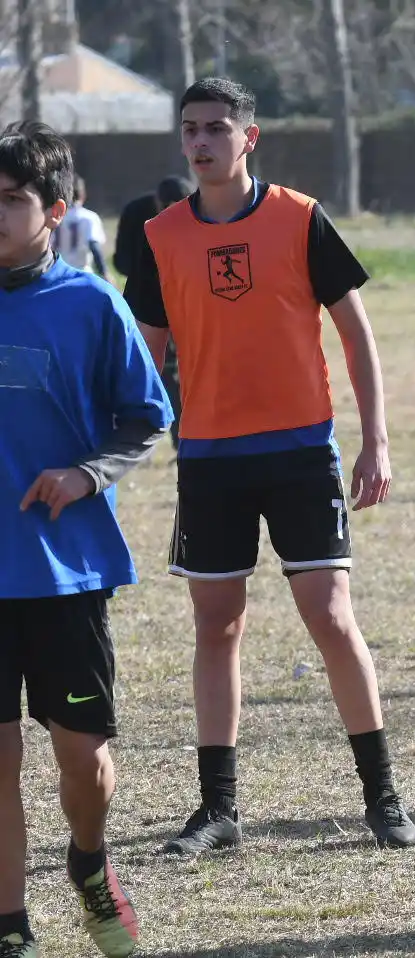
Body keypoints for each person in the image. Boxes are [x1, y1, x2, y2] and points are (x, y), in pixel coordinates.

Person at [122, 77, 415, 855]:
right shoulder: (160, 237)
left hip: (298, 451)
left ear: (250, 137)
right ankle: (217, 810)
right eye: (190, 128)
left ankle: (382, 797)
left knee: (329, 616)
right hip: (210, 458)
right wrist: (111, 449)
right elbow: (141, 358)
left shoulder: (299, 218)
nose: (202, 141)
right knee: (216, 625)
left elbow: (356, 335)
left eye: (218, 127)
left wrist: (375, 439)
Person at [0, 120, 172, 958]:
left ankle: (90, 863)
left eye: (10, 201)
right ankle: (9, 928)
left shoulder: (90, 302)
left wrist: (85, 474)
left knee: (83, 763)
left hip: (65, 571)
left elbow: (147, 421)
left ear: (54, 210)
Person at [113, 175, 193, 450]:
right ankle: (162, 430)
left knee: (184, 368)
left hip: (188, 301)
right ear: (157, 202)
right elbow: (121, 259)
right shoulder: (137, 214)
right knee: (157, 368)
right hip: (148, 303)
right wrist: (146, 279)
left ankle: (186, 433)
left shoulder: (197, 215)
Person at [51, 175, 108, 281]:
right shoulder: (89, 217)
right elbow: (94, 246)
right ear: (83, 194)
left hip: (57, 275)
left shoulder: (55, 216)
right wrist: (104, 273)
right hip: (83, 275)